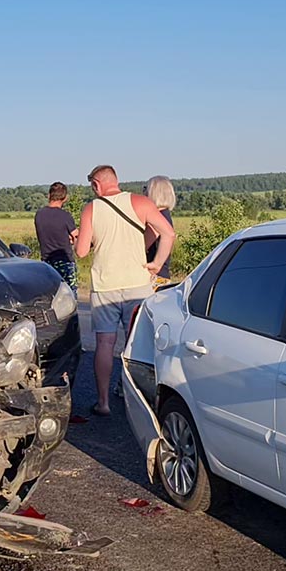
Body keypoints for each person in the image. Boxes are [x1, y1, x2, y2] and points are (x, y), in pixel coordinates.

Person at [75, 165, 175, 416]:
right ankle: (143, 400)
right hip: (138, 284)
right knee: (138, 342)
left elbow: (81, 251)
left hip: (105, 285)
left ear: (96, 185)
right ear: (116, 180)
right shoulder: (141, 202)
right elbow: (168, 233)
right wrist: (156, 264)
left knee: (105, 343)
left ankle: (103, 402)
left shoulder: (91, 208)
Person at [34, 182, 79, 290]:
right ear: (65, 198)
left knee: (50, 293)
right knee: (69, 295)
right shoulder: (65, 216)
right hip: (64, 261)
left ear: (49, 195)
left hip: (47, 261)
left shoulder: (39, 214)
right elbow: (76, 236)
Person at [143, 176, 176, 281]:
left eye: (146, 189)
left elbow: (142, 246)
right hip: (163, 275)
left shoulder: (156, 219)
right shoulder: (166, 215)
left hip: (153, 276)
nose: (143, 192)